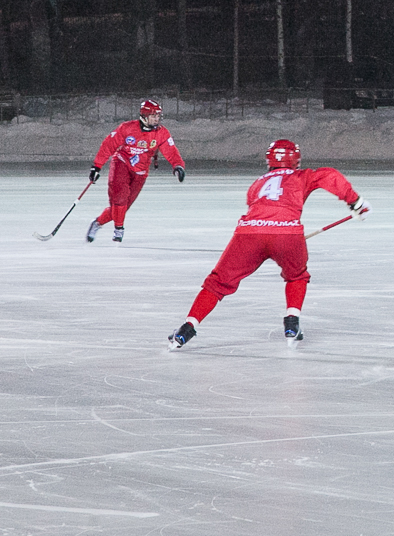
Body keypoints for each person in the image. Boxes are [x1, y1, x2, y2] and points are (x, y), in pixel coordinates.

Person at [167, 139, 369, 349]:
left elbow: (257, 204)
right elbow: (329, 175)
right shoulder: (301, 176)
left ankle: (187, 328)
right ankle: (292, 323)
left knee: (218, 283)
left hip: (248, 234)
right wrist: (356, 203)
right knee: (297, 276)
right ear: (296, 160)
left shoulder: (258, 183)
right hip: (287, 233)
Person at [86, 98, 186, 244]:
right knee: (120, 198)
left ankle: (97, 223)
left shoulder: (161, 133)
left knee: (121, 209)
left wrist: (178, 166)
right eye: (153, 116)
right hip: (122, 164)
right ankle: (119, 230)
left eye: (158, 116)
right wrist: (97, 166)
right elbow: (109, 145)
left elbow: (170, 150)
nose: (156, 119)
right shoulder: (127, 128)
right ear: (144, 116)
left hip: (140, 172)